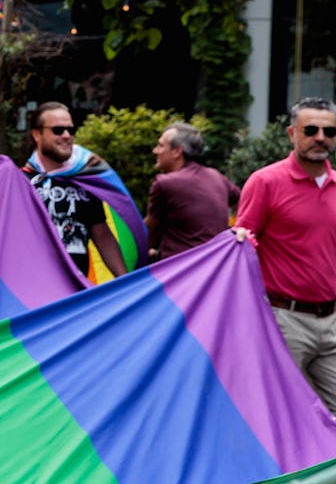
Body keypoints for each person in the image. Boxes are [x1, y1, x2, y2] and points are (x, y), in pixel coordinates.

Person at [235, 97, 336, 413]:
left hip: (332, 320)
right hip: (284, 320)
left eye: (329, 131)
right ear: (292, 134)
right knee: (286, 413)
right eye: (310, 129)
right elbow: (242, 245)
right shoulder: (265, 181)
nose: (320, 137)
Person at [22, 101, 129, 279]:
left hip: (75, 293)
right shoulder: (20, 182)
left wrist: (126, 282)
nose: (66, 135)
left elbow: (101, 234)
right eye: (58, 130)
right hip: (32, 288)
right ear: (36, 134)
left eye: (70, 130)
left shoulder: (85, 180)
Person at [145, 122, 239, 261]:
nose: (155, 151)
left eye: (161, 145)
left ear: (177, 151)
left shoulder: (165, 183)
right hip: (218, 265)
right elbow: (246, 204)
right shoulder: (216, 176)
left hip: (180, 271)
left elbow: (149, 230)